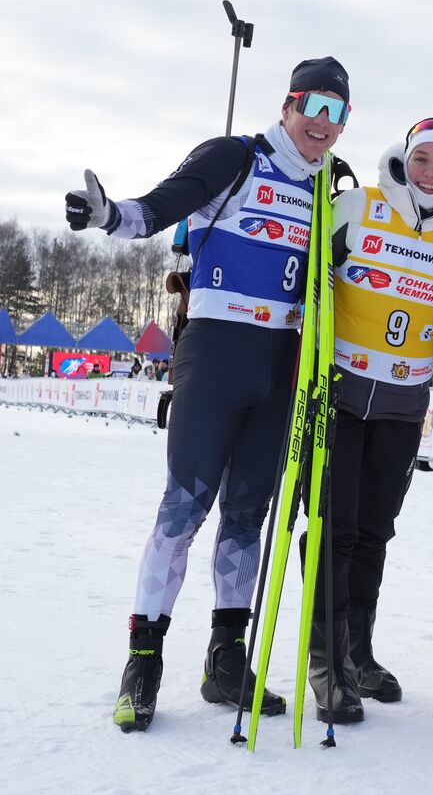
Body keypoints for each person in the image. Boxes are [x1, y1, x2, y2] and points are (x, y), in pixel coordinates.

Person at [65, 56, 351, 732]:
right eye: (313, 105)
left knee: (248, 516)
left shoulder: (330, 190)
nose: (322, 122)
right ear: (288, 106)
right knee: (184, 508)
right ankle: (143, 663)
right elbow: (163, 204)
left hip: (282, 363)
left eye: (337, 112)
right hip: (217, 351)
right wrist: (111, 217)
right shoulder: (238, 157)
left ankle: (226, 662)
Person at [305, 118, 433, 724]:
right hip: (340, 391)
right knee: (335, 527)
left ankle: (357, 650)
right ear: (405, 159)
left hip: (405, 401)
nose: (430, 173)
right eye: (422, 159)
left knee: (375, 530)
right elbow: (306, 277)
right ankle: (325, 661)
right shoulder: (358, 205)